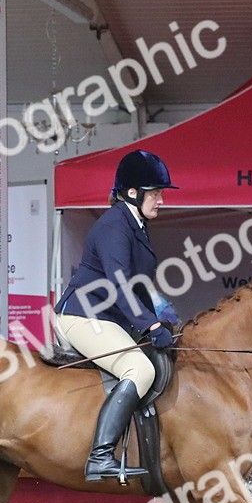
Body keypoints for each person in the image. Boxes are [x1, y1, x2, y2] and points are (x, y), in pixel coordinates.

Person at [54, 150, 177, 482]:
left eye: (162, 193)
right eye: (156, 193)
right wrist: (149, 324)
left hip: (107, 316)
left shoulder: (134, 224)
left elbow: (139, 285)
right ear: (133, 193)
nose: (162, 200)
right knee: (139, 368)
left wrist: (163, 316)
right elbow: (120, 282)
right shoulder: (114, 225)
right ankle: (100, 457)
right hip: (84, 315)